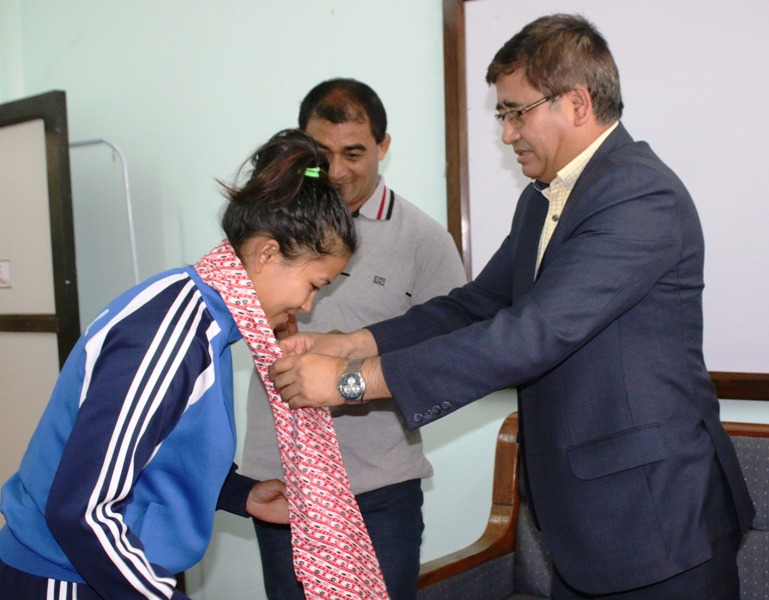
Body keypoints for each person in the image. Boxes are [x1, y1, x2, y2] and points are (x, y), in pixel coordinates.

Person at [269, 15, 755, 600]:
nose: (506, 134)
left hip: (655, 520)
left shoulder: (638, 194)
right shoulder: (542, 199)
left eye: (516, 112)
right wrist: (351, 343)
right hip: (588, 523)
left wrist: (351, 382)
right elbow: (475, 306)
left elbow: (532, 335)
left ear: (577, 103)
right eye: (503, 115)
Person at [0, 128, 358, 599]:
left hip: (99, 569)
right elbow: (81, 511)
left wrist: (240, 493)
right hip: (66, 576)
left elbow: (154, 445)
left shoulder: (202, 313)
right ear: (268, 253)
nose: (308, 306)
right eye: (314, 285)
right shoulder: (173, 333)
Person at [240, 78, 466, 600]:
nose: (337, 171)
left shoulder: (423, 239)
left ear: (383, 146)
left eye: (355, 153)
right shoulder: (265, 226)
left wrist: (347, 367)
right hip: (283, 482)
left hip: (380, 487)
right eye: (322, 155)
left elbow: (452, 353)